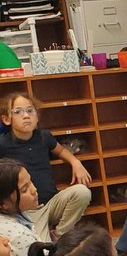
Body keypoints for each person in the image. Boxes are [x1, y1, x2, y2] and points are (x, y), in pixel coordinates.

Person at [0, 91, 91, 238]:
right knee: (43, 250)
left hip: (52, 202)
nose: (26, 115)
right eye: (18, 112)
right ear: (6, 119)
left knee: (82, 192)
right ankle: (45, 235)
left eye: (30, 110)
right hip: (28, 211)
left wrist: (75, 162)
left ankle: (61, 234)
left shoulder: (44, 137)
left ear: (37, 116)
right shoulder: (3, 143)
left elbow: (61, 151)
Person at [0, 159, 48, 256]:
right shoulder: (16, 235)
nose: (34, 190)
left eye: (31, 182)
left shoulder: (16, 212)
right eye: (24, 189)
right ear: (4, 204)